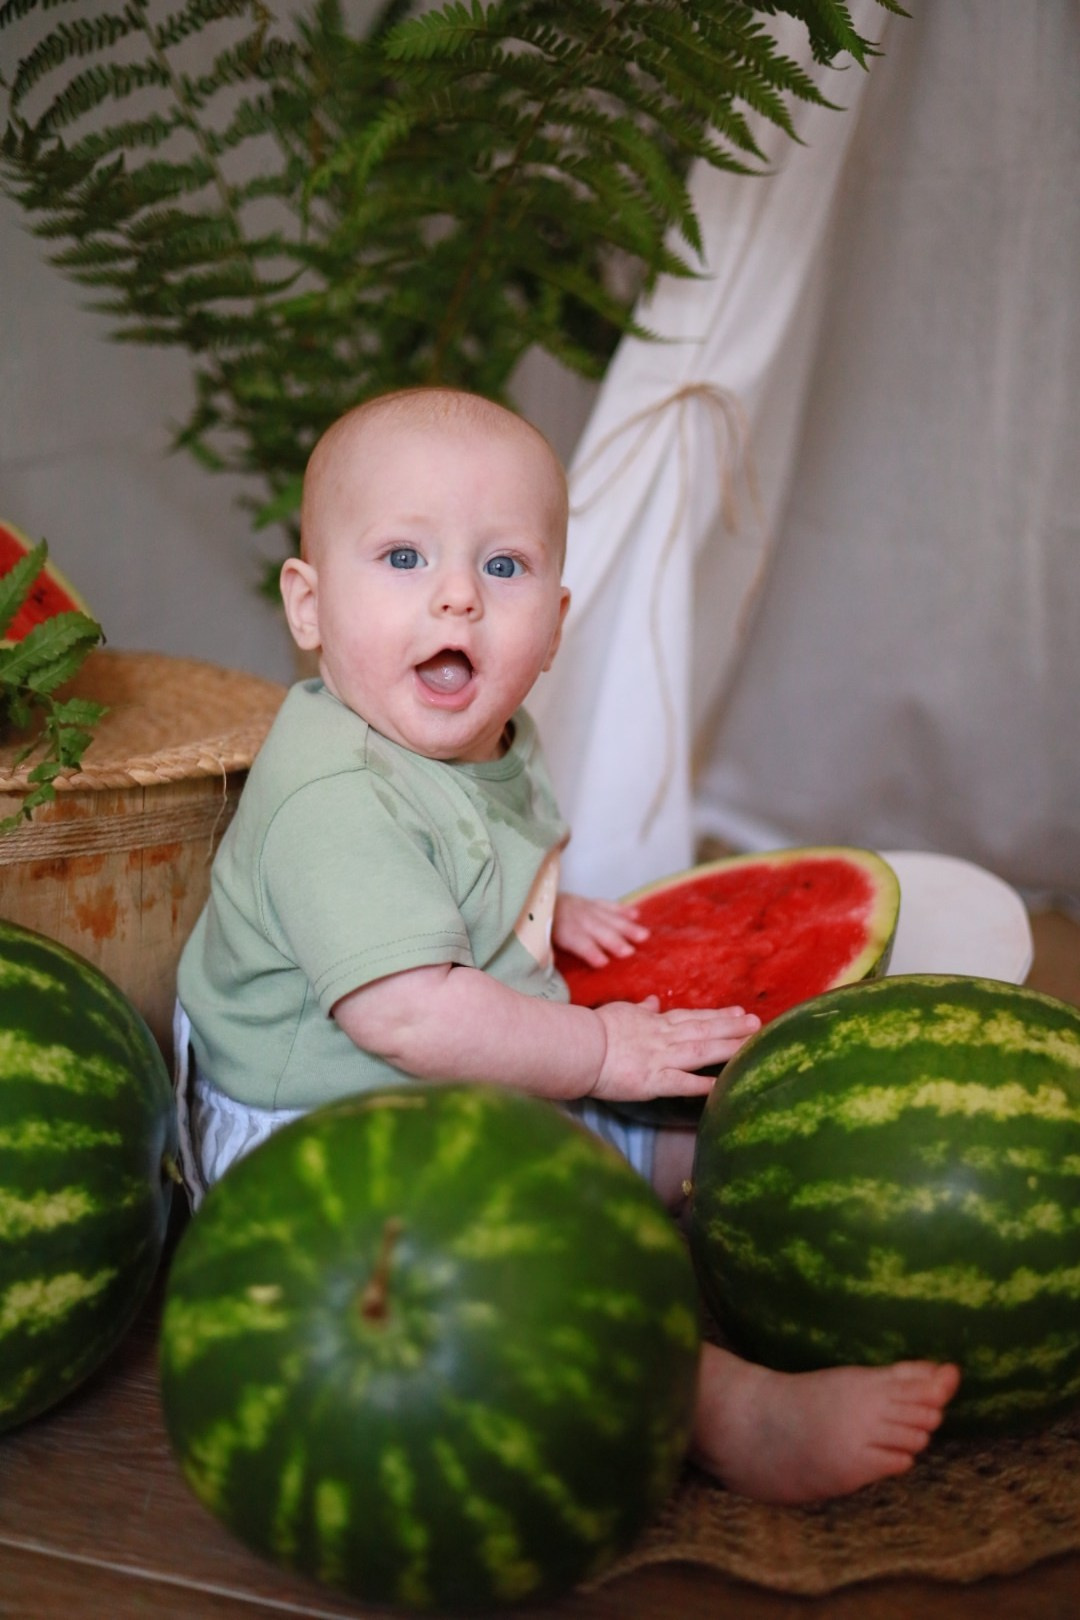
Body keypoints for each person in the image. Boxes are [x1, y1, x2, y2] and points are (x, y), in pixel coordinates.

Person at [176, 385, 959, 1504]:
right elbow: (404, 1013)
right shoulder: (331, 796)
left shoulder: (484, 738)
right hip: (325, 1141)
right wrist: (596, 1053)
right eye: (402, 558)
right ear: (307, 605)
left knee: (711, 1137)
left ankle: (821, 1255)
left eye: (503, 568)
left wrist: (554, 905)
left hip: (471, 1064)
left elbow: (474, 856)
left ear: (556, 616)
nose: (456, 595)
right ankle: (721, 1411)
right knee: (538, 1248)